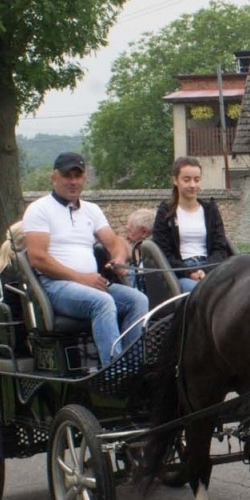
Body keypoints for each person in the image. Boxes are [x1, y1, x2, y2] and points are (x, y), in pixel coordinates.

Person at [22, 152, 146, 366]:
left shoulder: (92, 210)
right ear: (54, 178)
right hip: (55, 286)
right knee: (103, 302)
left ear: (84, 178)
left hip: (91, 284)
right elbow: (38, 258)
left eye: (78, 176)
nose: (73, 182)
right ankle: (114, 370)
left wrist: (118, 259)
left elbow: (115, 243)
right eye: (67, 176)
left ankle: (134, 365)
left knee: (138, 300)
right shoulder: (39, 209)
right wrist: (82, 278)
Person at [152, 156, 234, 293]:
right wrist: (189, 272)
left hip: (210, 269)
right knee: (201, 293)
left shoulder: (211, 210)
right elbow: (164, 252)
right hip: (181, 273)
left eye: (197, 180)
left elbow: (220, 248)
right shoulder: (165, 212)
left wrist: (206, 270)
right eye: (186, 180)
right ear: (175, 180)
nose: (192, 185)